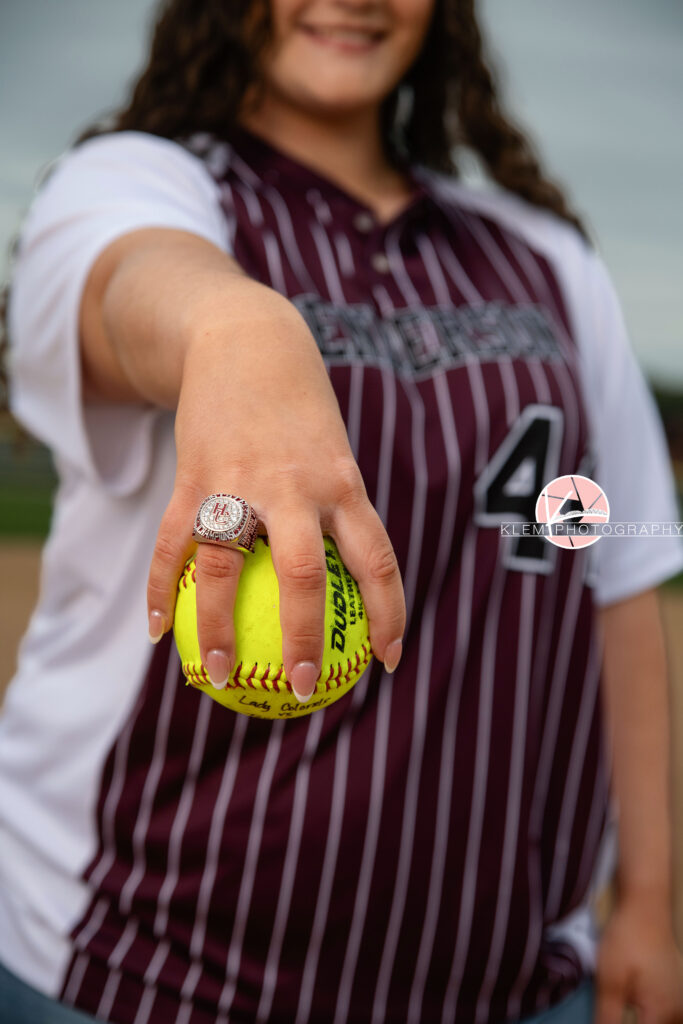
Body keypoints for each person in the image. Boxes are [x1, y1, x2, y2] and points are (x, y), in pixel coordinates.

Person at [1, 0, 682, 1022]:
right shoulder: (145, 183)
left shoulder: (544, 261)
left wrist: (650, 903)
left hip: (506, 983)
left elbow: (615, 581)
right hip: (133, 966)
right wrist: (230, 323)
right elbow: (129, 287)